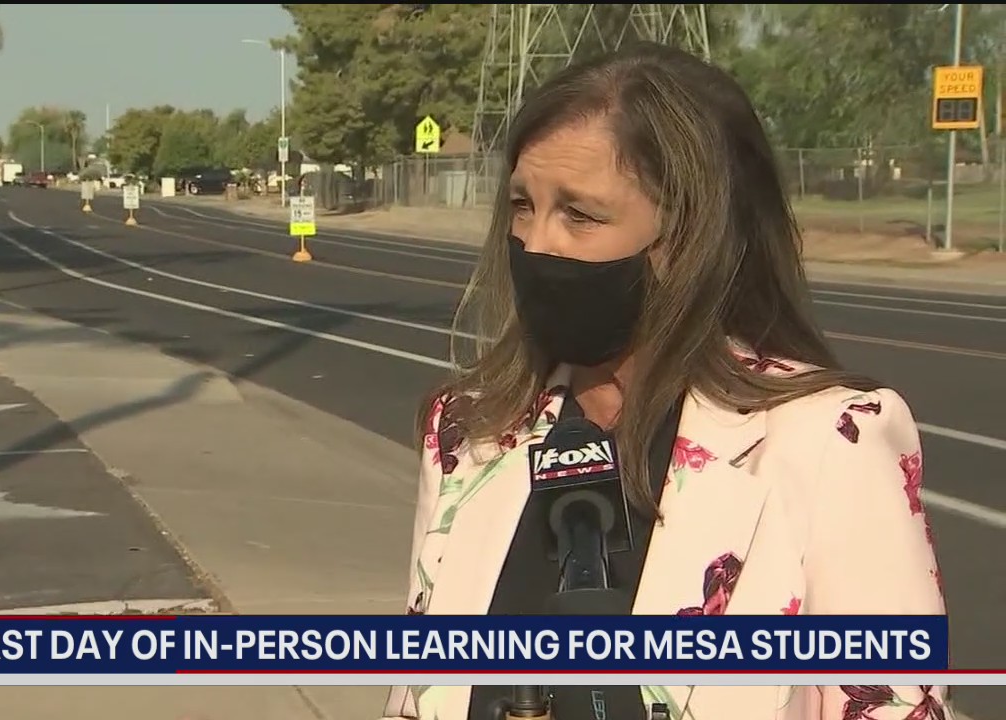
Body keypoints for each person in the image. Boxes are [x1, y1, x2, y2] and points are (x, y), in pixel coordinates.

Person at [381, 42, 947, 720]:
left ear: (683, 236)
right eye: (523, 206)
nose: (536, 245)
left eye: (580, 215)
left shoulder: (829, 440)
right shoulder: (469, 432)